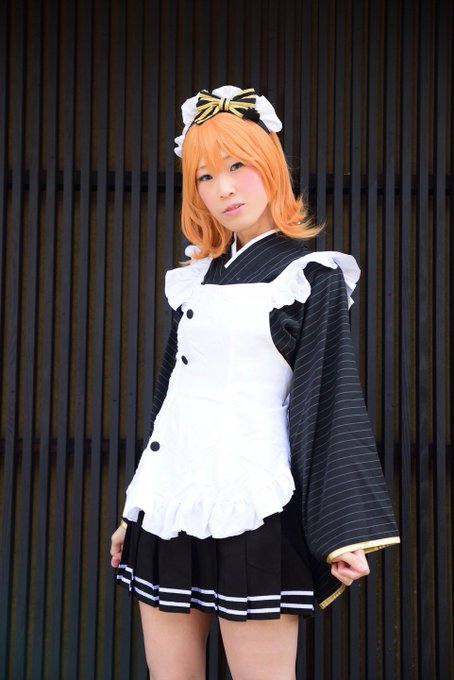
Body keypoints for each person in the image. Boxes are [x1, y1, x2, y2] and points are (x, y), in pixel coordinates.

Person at [110, 85, 400, 680]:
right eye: (205, 176)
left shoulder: (310, 275)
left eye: (237, 165)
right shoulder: (197, 277)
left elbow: (328, 401)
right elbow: (173, 400)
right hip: (167, 507)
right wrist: (134, 506)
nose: (223, 189)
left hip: (252, 507)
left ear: (271, 165)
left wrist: (341, 532)